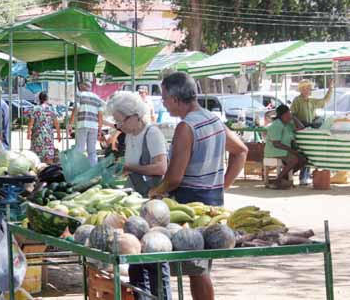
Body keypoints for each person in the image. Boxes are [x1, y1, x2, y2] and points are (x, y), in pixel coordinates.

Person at [148, 72, 248, 300]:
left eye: (164, 97)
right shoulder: (213, 119)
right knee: (199, 268)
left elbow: (174, 178)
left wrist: (156, 191)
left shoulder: (186, 127)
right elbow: (241, 151)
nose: (162, 101)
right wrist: (221, 186)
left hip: (189, 203)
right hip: (211, 202)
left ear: (175, 98)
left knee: (197, 267)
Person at [107, 91, 170, 300]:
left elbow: (161, 166)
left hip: (152, 205)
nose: (119, 126)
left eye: (121, 121)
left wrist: (130, 167)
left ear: (134, 115)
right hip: (136, 204)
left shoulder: (152, 133)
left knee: (154, 261)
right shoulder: (131, 136)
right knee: (135, 261)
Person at [291, 79, 334, 185]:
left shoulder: (312, 100)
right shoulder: (297, 100)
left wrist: (330, 89)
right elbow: (293, 115)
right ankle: (302, 177)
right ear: (301, 90)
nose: (307, 90)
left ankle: (304, 177)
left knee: (309, 153)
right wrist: (300, 126)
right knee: (304, 153)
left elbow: (324, 101)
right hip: (301, 131)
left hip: (309, 131)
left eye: (308, 88)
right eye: (305, 88)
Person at [264, 105, 306, 189]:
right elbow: (276, 143)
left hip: (284, 150)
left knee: (303, 159)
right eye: (287, 115)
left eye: (289, 114)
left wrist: (294, 118)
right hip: (274, 150)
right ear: (281, 116)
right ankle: (278, 180)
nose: (289, 116)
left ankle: (283, 178)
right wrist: (292, 151)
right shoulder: (276, 125)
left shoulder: (288, 124)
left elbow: (301, 128)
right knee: (294, 159)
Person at [69, 81, 105, 166]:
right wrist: (100, 129)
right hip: (94, 126)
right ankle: (93, 170)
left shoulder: (79, 94)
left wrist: (70, 123)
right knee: (92, 151)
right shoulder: (97, 98)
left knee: (79, 149)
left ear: (82, 86)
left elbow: (76, 108)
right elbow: (100, 114)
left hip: (82, 124)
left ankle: (77, 169)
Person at [27, 92, 62, 164]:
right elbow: (56, 123)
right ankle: (49, 172)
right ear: (47, 99)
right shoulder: (51, 109)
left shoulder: (35, 108)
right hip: (48, 136)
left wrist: (28, 133)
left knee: (36, 157)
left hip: (37, 135)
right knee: (48, 156)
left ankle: (39, 172)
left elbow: (31, 122)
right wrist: (59, 134)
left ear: (39, 99)